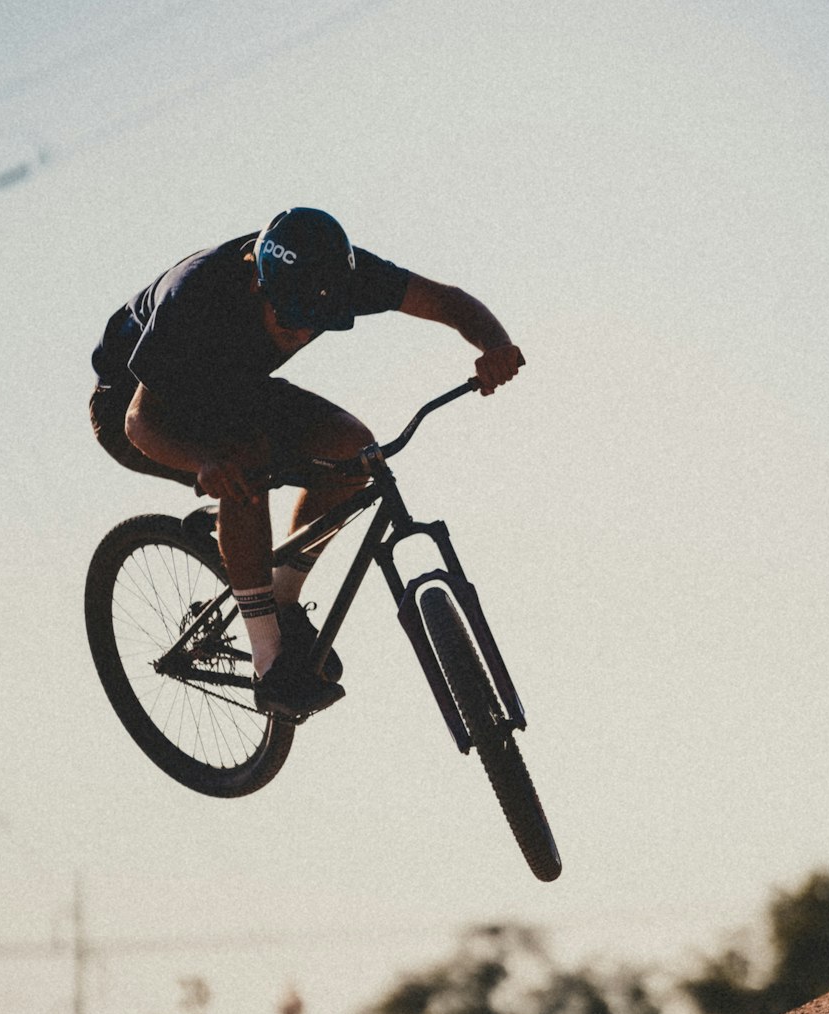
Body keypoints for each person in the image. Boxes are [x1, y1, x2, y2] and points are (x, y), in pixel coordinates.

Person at [90, 206, 524, 720]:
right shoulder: (199, 296)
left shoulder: (338, 276)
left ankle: (281, 594)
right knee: (241, 464)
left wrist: (494, 344)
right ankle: (270, 663)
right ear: (258, 286)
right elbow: (139, 423)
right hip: (138, 406)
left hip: (235, 387)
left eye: (315, 325)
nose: (300, 335)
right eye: (290, 320)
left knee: (354, 450)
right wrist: (205, 462)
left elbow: (446, 302)